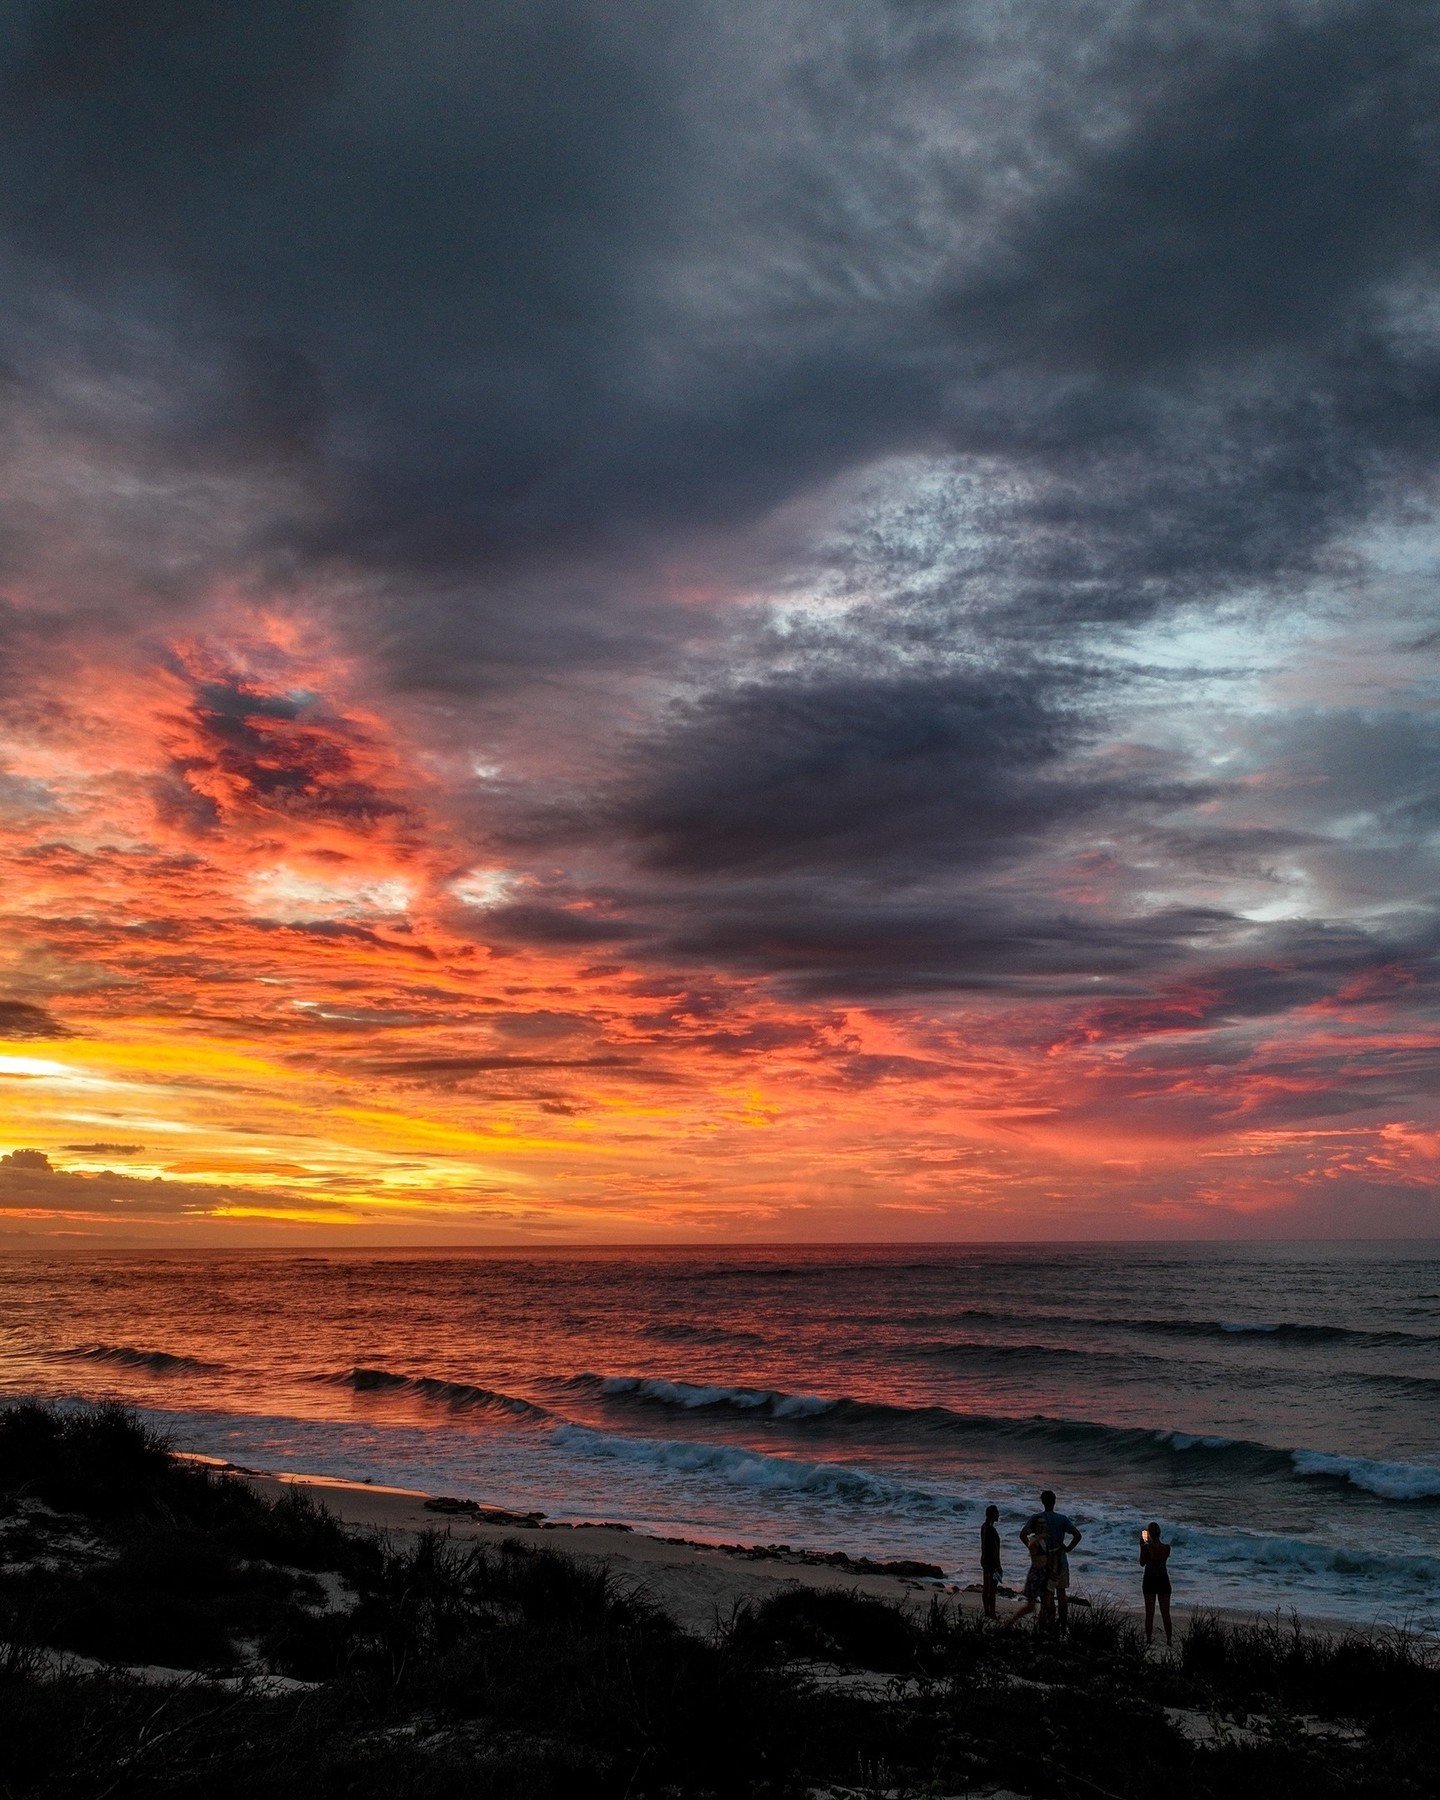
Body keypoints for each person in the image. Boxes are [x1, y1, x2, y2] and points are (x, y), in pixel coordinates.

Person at [1019, 1489, 1082, 1628]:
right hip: (1060, 1559)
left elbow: (1023, 1534)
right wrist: (1068, 1548)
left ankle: (1049, 1623)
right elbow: (1077, 1535)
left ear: (1042, 1502)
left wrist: (1033, 1548)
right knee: (1061, 1593)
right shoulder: (1062, 1519)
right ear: (1054, 1501)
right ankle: (1063, 1623)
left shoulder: (1037, 1518)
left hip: (1044, 1563)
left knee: (1047, 1595)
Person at [1003, 1524, 1052, 1628]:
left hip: (1045, 1574)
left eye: (1043, 1524)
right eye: (1040, 1524)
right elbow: (1031, 1547)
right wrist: (1040, 1536)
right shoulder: (1034, 1540)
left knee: (1046, 1604)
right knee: (1031, 1606)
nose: (1042, 1527)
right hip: (1036, 1574)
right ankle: (1010, 1622)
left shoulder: (1045, 1542)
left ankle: (1041, 1626)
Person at [1139, 1521, 1173, 1646]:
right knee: (1165, 1612)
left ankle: (1148, 1639)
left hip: (1150, 1579)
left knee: (1150, 1612)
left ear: (1149, 1534)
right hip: (1163, 1579)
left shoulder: (1146, 1548)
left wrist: (1142, 1546)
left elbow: (1142, 1563)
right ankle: (1169, 1639)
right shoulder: (1166, 1548)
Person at [980, 1504, 1003, 1618]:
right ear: (993, 1515)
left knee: (986, 1587)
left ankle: (987, 1611)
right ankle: (992, 1613)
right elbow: (994, 1549)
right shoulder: (991, 1529)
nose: (998, 1514)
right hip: (992, 1562)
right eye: (997, 1512)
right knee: (992, 1589)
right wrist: (998, 1565)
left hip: (984, 1559)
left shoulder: (984, 1527)